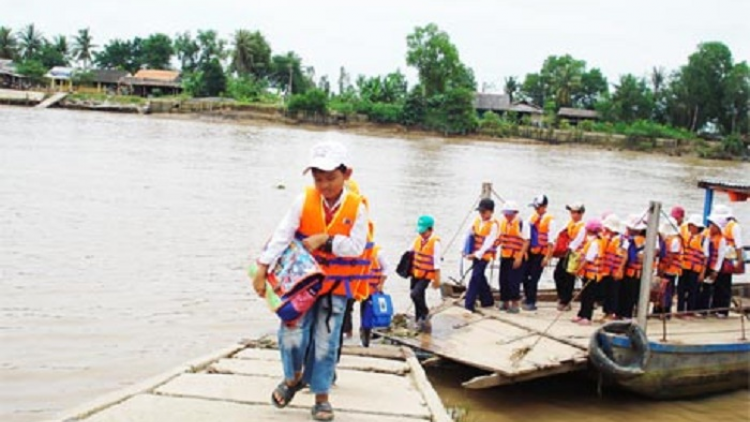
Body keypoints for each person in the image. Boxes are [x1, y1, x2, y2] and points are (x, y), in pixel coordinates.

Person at [251, 140, 370, 421]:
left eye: (331, 178)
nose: (325, 185)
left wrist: (327, 240)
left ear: (346, 174)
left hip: (335, 287)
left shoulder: (357, 207)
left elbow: (356, 246)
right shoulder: (304, 199)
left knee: (327, 342)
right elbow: (283, 234)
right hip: (301, 283)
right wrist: (261, 269)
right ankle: (293, 378)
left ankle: (321, 398)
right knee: (291, 334)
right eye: (319, 179)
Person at [464, 198, 498, 312]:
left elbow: (489, 242)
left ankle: (469, 304)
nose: (482, 214)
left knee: (475, 277)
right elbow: (468, 234)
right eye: (480, 212)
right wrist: (464, 250)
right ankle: (487, 300)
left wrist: (477, 254)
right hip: (475, 253)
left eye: (484, 212)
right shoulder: (477, 221)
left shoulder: (493, 225)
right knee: (480, 276)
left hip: (484, 255)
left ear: (491, 211)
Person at [522, 194, 555, 311]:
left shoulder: (550, 220)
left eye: (538, 207)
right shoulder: (532, 218)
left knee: (534, 278)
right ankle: (527, 296)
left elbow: (551, 241)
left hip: (541, 252)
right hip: (531, 251)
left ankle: (531, 301)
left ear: (544, 206)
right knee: (525, 275)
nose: (536, 210)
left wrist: (547, 257)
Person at [496, 200, 530, 313]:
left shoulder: (522, 224)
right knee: (503, 279)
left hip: (516, 255)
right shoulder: (503, 223)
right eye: (506, 213)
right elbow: (500, 237)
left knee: (514, 281)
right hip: (505, 255)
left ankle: (515, 303)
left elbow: (526, 241)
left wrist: (520, 257)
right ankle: (504, 301)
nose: (507, 216)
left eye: (509, 213)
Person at [410, 215, 441, 332]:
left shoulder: (435, 242)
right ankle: (419, 318)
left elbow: (437, 262)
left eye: (424, 232)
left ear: (430, 229)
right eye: (420, 232)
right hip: (416, 272)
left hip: (426, 274)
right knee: (418, 296)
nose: (422, 234)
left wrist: (437, 279)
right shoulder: (417, 240)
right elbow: (410, 251)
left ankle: (425, 312)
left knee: (415, 294)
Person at [572, 219, 605, 325]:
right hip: (588, 273)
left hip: (592, 274)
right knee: (585, 294)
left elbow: (588, 259)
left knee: (589, 296)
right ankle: (581, 314)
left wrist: (578, 269)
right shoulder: (592, 242)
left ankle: (587, 316)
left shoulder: (594, 243)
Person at [554, 202, 586, 311]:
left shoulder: (582, 227)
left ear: (581, 213)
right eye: (572, 212)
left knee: (569, 277)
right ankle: (562, 296)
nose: (573, 215)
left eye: (575, 212)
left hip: (574, 254)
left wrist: (569, 247)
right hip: (566, 252)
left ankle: (566, 300)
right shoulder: (569, 224)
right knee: (558, 274)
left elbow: (578, 241)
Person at [714, 205, 744, 318]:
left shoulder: (734, 226)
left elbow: (739, 245)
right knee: (718, 283)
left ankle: (723, 310)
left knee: (725, 284)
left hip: (728, 258)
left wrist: (739, 260)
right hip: (720, 257)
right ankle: (716, 307)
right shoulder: (723, 226)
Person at [617, 214, 648, 320]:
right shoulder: (645, 241)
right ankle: (627, 314)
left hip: (629, 270)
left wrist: (620, 268)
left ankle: (621, 313)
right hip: (638, 272)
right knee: (633, 294)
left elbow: (625, 255)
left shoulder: (628, 240)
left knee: (624, 293)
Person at [677, 214, 707, 318]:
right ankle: (680, 311)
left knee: (692, 290)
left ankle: (690, 310)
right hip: (684, 267)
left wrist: (702, 273)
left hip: (695, 269)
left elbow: (705, 257)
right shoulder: (685, 235)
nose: (690, 228)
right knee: (681, 289)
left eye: (692, 226)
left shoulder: (703, 239)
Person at [696, 215, 726, 317]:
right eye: (711, 225)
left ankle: (704, 310)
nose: (711, 227)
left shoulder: (721, 240)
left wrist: (716, 270)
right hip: (704, 264)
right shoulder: (707, 236)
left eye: (714, 226)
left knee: (707, 288)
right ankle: (699, 307)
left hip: (712, 266)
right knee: (701, 286)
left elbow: (721, 256)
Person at [600, 214, 627, 321]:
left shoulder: (621, 240)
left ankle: (611, 312)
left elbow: (624, 255)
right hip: (606, 270)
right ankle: (606, 311)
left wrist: (620, 269)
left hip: (615, 270)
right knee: (607, 291)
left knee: (613, 292)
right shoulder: (607, 239)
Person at [654, 218, 683, 318]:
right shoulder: (666, 238)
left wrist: (664, 269)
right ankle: (658, 309)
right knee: (661, 289)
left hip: (670, 269)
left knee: (667, 290)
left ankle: (666, 311)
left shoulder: (675, 240)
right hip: (662, 267)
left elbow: (671, 258)